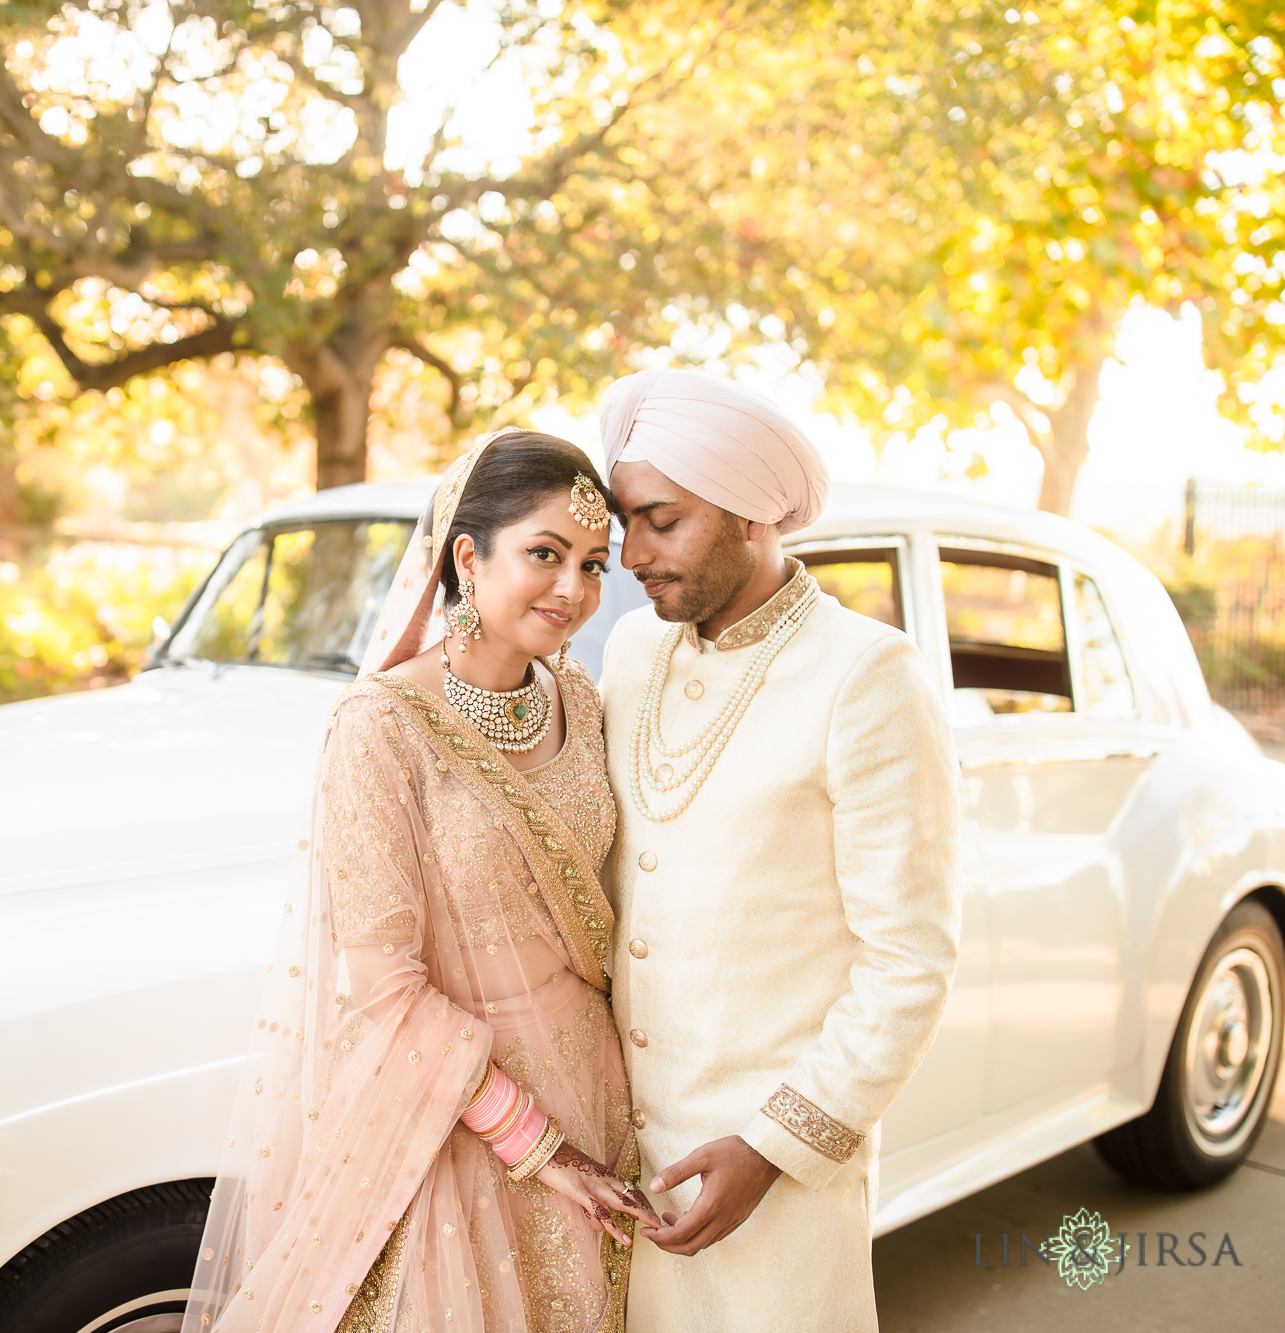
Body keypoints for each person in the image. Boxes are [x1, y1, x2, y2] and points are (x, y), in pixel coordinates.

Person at [184, 430, 660, 1333]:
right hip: (460, 1122)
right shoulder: (380, 726)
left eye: (595, 564)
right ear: (468, 558)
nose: (575, 590)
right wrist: (537, 1144)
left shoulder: (580, 697)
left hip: (601, 1096)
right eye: (546, 554)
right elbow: (385, 986)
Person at [594, 368, 961, 1331]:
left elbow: (910, 962)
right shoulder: (632, 648)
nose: (631, 552)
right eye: (624, 521)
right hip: (622, 1176)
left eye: (660, 521)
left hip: (775, 1180)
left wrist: (771, 1147)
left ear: (751, 513)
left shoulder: (868, 675)